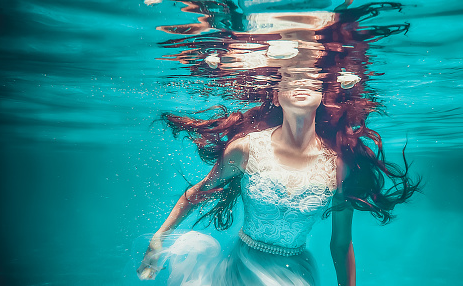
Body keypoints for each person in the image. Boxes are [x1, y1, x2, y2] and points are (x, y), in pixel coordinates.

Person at [137, 2, 418, 285]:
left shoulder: (338, 165)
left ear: (323, 94)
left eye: (308, 76)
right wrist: (157, 241)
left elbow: (341, 244)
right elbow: (197, 193)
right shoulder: (245, 149)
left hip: (295, 274)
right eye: (289, 75)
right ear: (275, 95)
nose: (299, 79)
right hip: (240, 270)